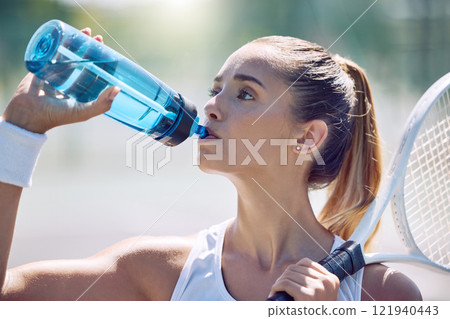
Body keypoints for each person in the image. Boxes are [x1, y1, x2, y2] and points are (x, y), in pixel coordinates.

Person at [0, 29, 422, 301]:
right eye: (216, 89)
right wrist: (18, 134)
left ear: (306, 137)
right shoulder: (158, 272)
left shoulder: (385, 296)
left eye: (245, 95)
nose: (211, 107)